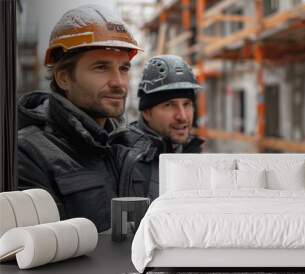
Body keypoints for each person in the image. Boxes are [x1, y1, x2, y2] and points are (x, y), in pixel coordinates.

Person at [17, 4, 142, 232]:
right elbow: (40, 254)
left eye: (123, 68)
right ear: (64, 78)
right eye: (101, 67)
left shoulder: (127, 147)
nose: (119, 82)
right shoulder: (28, 153)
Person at [112, 55, 205, 201]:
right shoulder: (124, 157)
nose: (182, 116)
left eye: (187, 104)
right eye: (169, 105)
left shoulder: (190, 152)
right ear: (147, 113)